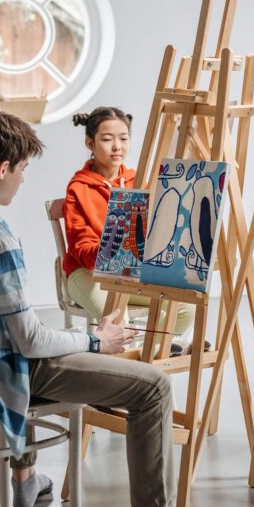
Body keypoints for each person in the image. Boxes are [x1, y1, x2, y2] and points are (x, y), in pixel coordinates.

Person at [0, 111, 199, 507]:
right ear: (1, 169)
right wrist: (94, 341)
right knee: (153, 387)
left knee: (3, 337)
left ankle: (25, 482)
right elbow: (29, 341)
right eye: (22, 168)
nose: (24, 180)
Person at [63, 107, 195, 342]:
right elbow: (80, 248)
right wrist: (113, 249)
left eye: (123, 139)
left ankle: (147, 350)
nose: (117, 146)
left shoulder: (139, 180)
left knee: (185, 307)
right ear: (90, 143)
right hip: (87, 274)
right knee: (116, 317)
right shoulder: (78, 188)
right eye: (107, 139)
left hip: (130, 272)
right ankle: (139, 351)